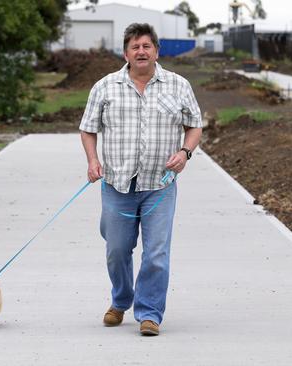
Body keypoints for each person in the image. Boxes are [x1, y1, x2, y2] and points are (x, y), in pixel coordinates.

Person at [79, 23, 202, 336]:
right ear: (126, 53)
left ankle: (149, 313)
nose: (141, 52)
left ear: (156, 51)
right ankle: (121, 300)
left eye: (147, 46)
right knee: (117, 250)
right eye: (135, 47)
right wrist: (93, 160)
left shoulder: (178, 85)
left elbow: (195, 125)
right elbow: (88, 128)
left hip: (160, 186)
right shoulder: (105, 87)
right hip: (117, 185)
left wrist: (185, 153)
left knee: (157, 253)